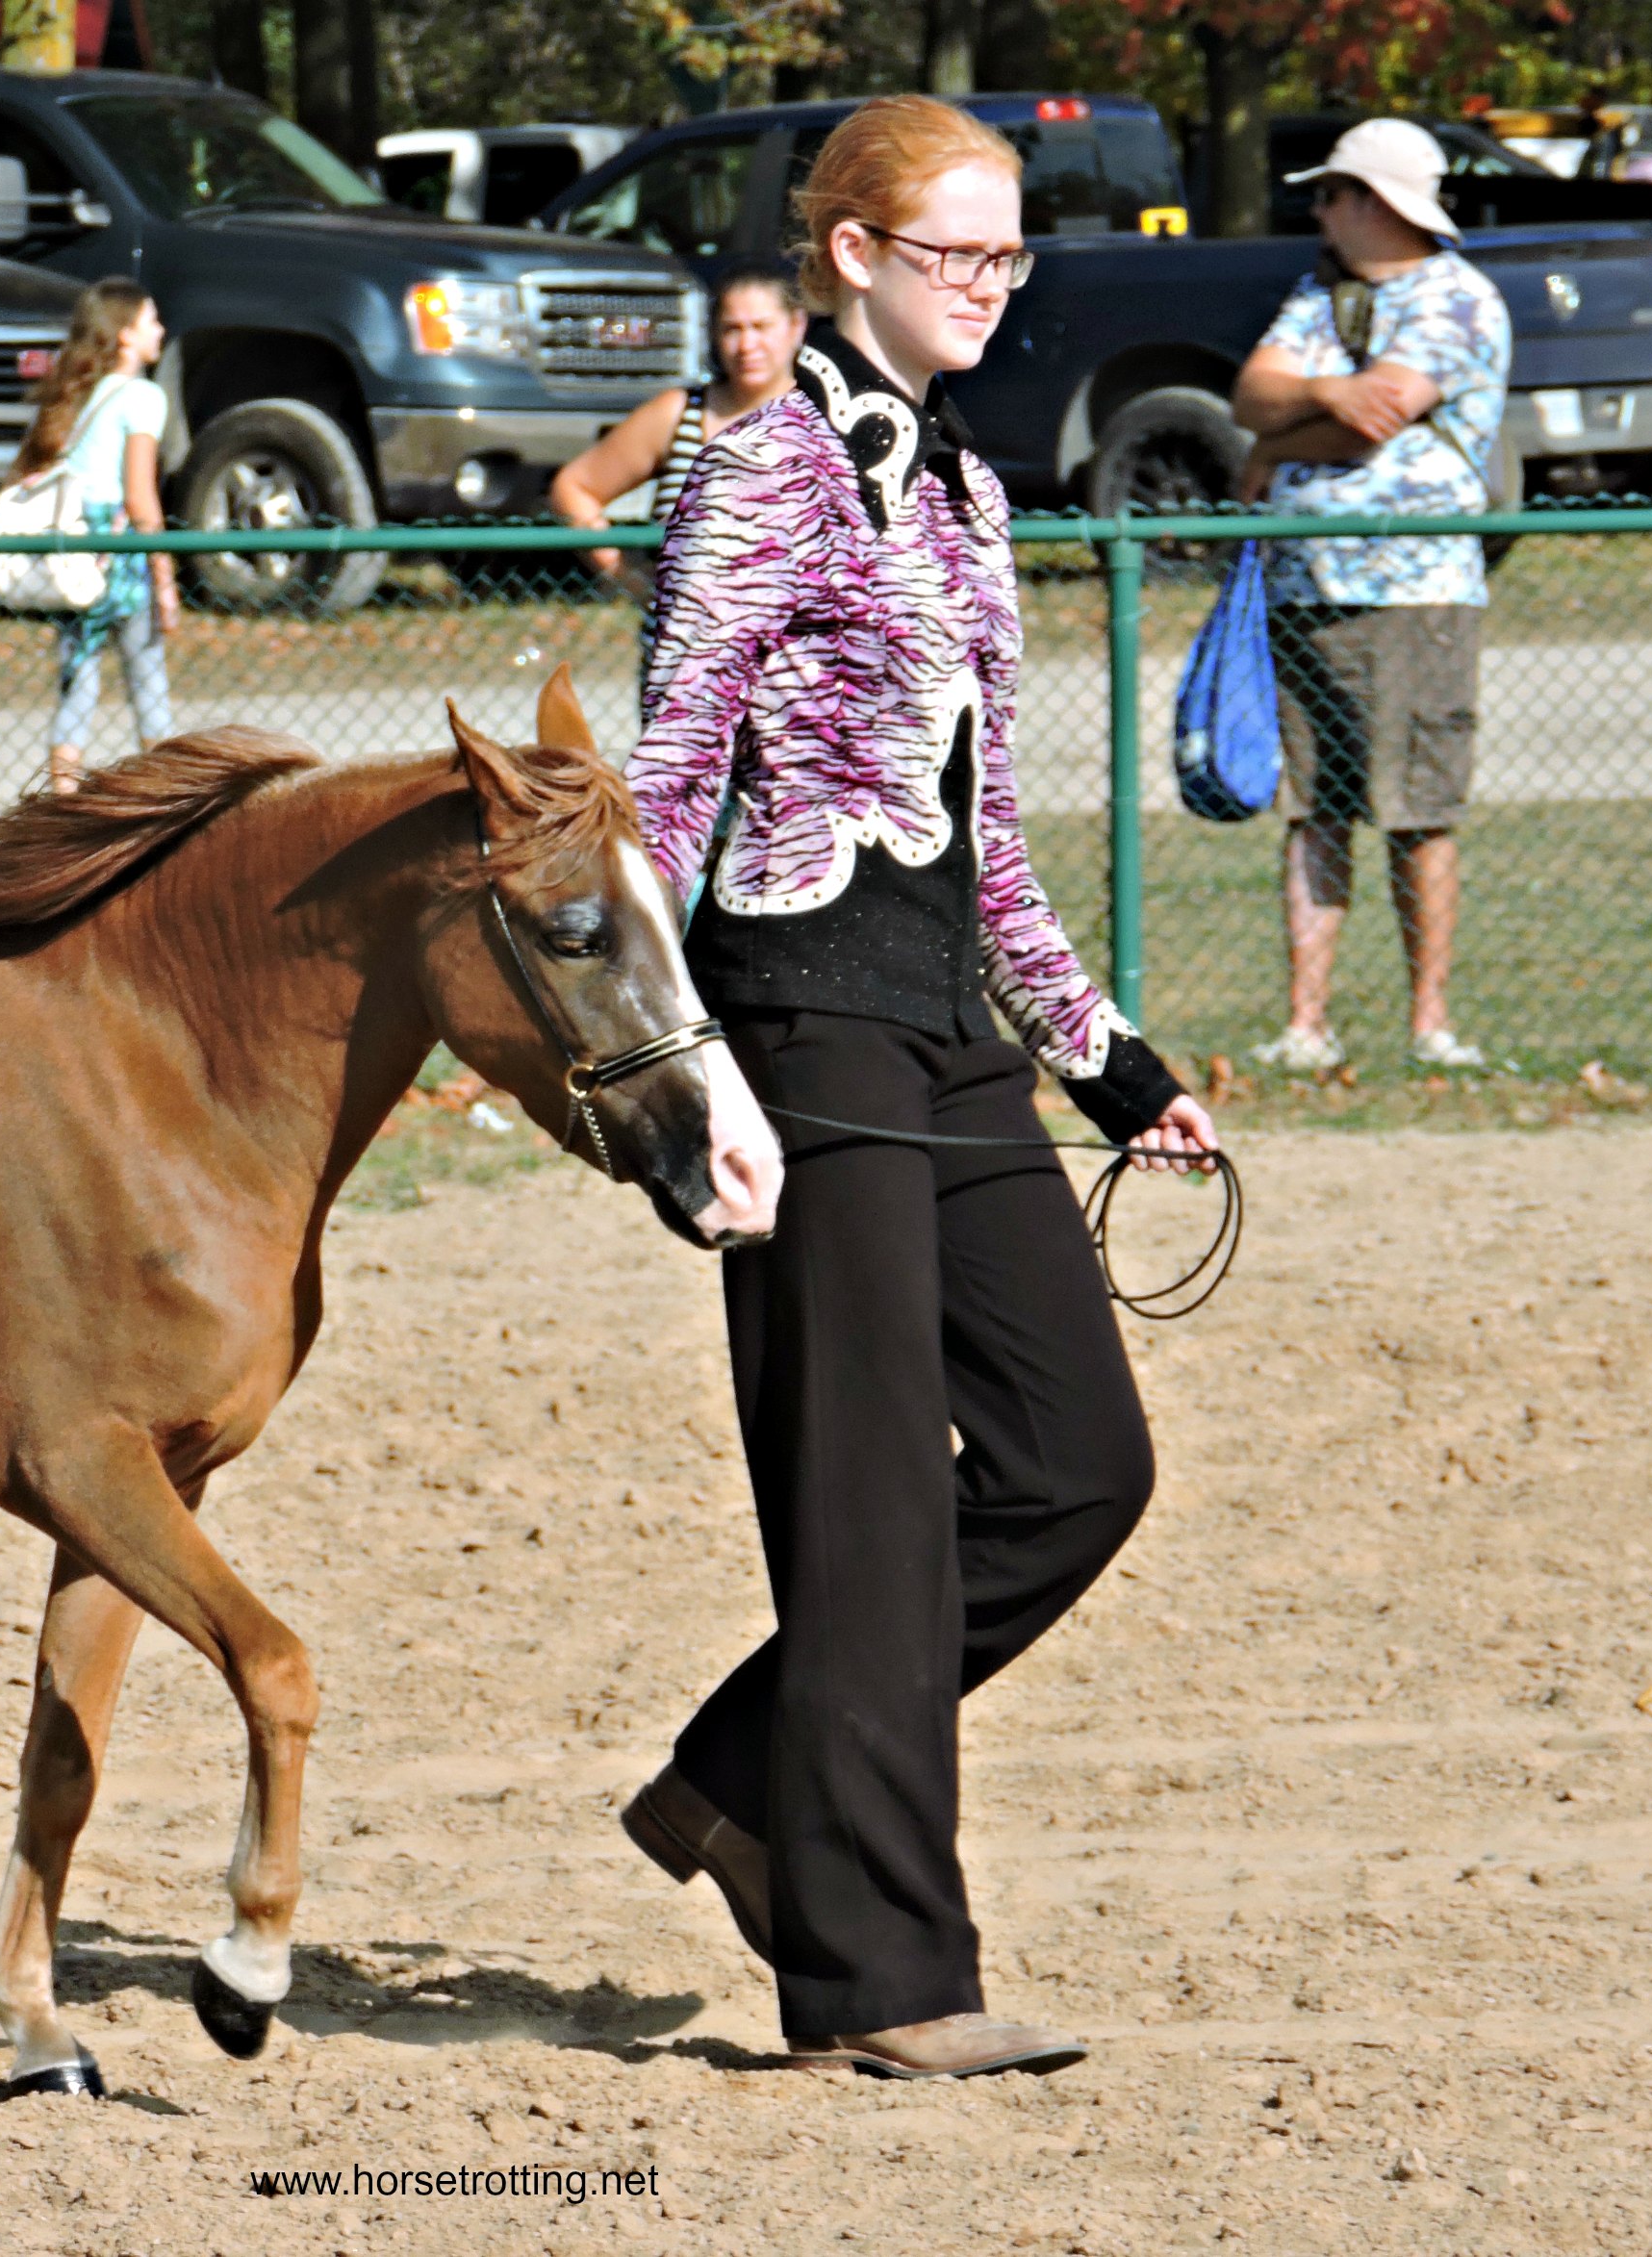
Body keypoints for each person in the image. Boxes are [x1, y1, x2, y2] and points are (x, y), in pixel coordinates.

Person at [619, 96, 1218, 2083]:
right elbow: (663, 788)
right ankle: (884, 1987)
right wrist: (676, 1077)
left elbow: (992, 841)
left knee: (1077, 1463)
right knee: (866, 1512)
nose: (993, 286)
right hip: (794, 1028)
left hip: (947, 1025)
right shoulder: (749, 470)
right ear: (852, 255)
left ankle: (733, 1771)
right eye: (958, 252)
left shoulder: (972, 496)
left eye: (1009, 256)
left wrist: (1110, 1062)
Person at [1231, 119, 1512, 1074]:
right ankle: (1304, 1027)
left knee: (1414, 810)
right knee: (1313, 810)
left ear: (1378, 204)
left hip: (1413, 594)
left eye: (1331, 192)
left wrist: (1276, 444)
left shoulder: (1456, 301)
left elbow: (1375, 420)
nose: (1316, 209)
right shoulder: (1319, 294)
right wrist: (1304, 400)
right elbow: (1248, 394)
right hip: (1303, 584)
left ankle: (1426, 1026)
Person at [550, 257, 805, 609]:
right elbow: (575, 487)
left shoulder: (827, 417)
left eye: (761, 327)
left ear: (796, 326)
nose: (747, 346)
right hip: (681, 651)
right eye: (733, 329)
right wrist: (628, 578)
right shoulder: (679, 413)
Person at [18, 279, 177, 796]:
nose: (161, 330)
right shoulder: (143, 397)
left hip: (73, 550)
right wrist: (166, 578)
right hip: (121, 550)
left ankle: (63, 799)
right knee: (146, 674)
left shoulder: (71, 393)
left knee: (78, 679)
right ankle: (163, 800)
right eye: (151, 320)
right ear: (125, 335)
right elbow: (140, 495)